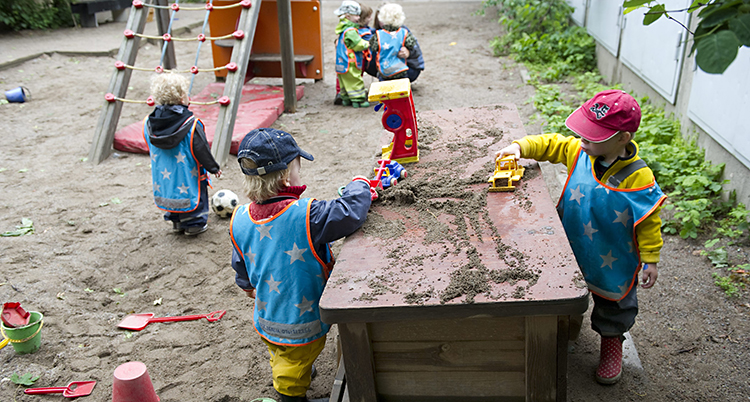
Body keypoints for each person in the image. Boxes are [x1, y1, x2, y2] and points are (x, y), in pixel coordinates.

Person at [495, 89, 666, 385]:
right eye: (583, 134)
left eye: (592, 137)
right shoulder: (580, 152)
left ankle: (612, 343)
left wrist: (650, 259)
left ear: (622, 138)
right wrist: (520, 147)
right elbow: (551, 144)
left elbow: (649, 221)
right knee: (567, 290)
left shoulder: (639, 177)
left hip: (614, 257)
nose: (582, 141)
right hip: (574, 245)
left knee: (614, 304)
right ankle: (567, 330)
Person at [229, 128, 372, 402]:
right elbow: (351, 212)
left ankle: (295, 367)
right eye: (298, 166)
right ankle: (291, 395)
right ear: (286, 176)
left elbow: (240, 265)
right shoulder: (309, 215)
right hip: (300, 320)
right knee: (292, 363)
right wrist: (360, 183)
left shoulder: (239, 219)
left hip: (268, 311)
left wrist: (247, 285)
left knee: (282, 352)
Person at [143, 72, 221, 235]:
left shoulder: (149, 124)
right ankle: (194, 223)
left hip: (164, 174)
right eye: (186, 92)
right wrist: (213, 167)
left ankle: (176, 221)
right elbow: (201, 150)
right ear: (180, 98)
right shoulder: (191, 125)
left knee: (171, 191)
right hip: (188, 172)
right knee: (194, 190)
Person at [365, 3, 424, 82]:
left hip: (403, 68)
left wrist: (408, 52)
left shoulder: (402, 31)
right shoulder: (378, 33)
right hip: (393, 68)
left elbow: (415, 48)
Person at [334, 0, 372, 108]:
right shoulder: (351, 31)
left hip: (341, 62)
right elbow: (357, 44)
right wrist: (366, 44)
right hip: (350, 62)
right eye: (356, 15)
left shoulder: (342, 28)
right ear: (348, 16)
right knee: (355, 80)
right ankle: (358, 100)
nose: (358, 18)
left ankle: (346, 99)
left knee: (344, 82)